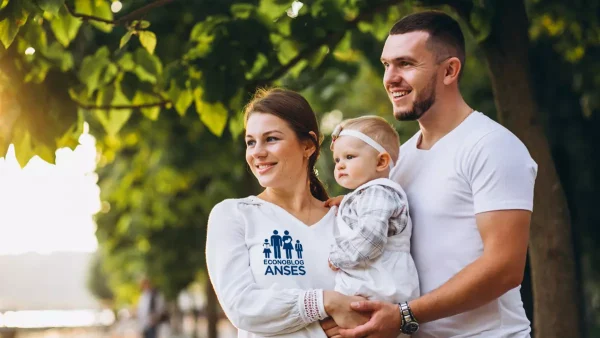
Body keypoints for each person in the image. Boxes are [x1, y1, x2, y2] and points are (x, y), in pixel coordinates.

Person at [322, 11, 537, 338]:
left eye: (406, 64)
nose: (390, 78)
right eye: (386, 65)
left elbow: (504, 269)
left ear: (449, 70)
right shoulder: (398, 161)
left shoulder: (492, 146)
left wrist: (404, 315)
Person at [205, 88, 370, 338]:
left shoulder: (346, 220)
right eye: (251, 141)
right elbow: (243, 307)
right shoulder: (233, 215)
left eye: (271, 139)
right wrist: (325, 303)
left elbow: (370, 305)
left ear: (308, 145)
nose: (257, 152)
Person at [327, 116, 419, 309]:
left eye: (349, 157)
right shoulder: (372, 195)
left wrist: (336, 257)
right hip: (374, 287)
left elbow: (370, 240)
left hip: (379, 288)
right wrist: (347, 203)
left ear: (381, 162)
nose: (340, 165)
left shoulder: (378, 193)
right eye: (337, 159)